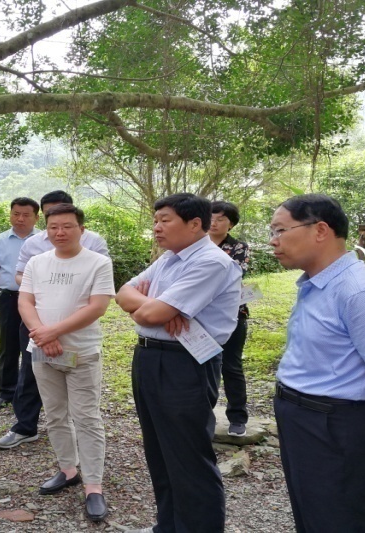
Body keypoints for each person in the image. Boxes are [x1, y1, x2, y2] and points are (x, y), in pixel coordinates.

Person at [269, 194, 365, 533]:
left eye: (280, 230)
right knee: (313, 515)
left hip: (338, 426)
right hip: (306, 417)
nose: (273, 241)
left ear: (320, 230)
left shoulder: (360, 293)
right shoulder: (317, 284)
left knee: (338, 521)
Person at [116, 193, 241, 533]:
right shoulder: (171, 258)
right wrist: (157, 307)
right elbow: (123, 295)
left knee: (188, 457)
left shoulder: (211, 262)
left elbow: (146, 311)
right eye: (155, 221)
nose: (157, 228)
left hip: (185, 363)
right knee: (159, 451)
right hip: (149, 357)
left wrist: (153, 308)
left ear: (195, 224)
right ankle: (168, 526)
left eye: (165, 220)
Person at [19, 203, 115, 522]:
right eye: (54, 226)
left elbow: (97, 306)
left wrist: (53, 331)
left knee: (87, 417)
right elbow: (25, 300)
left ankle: (93, 486)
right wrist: (42, 335)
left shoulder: (98, 263)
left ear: (81, 229)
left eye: (67, 226)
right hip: (42, 351)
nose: (60, 232)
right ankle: (68, 470)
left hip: (82, 352)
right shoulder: (37, 261)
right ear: (46, 230)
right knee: (55, 415)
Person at [0, 190, 109, 450]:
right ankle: (25, 426)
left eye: (64, 220)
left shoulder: (94, 244)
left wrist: (57, 322)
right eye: (50, 219)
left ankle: (79, 431)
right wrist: (43, 326)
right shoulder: (34, 245)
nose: (58, 229)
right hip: (37, 320)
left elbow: (100, 291)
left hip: (77, 325)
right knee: (30, 371)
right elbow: (21, 279)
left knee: (77, 377)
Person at [0, 197, 40, 411]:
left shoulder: (45, 240)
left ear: (36, 217)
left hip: (39, 300)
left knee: (36, 346)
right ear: (10, 214)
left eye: (26, 214)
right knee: (8, 346)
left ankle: (34, 392)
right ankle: (5, 391)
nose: (20, 218)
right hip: (10, 298)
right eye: (16, 213)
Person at [208, 201, 250, 437]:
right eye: (211, 218)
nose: (214, 222)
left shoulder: (238, 247)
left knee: (231, 367)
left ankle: (237, 418)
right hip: (200, 316)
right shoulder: (195, 244)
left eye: (221, 218)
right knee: (204, 366)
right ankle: (206, 417)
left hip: (233, 314)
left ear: (231, 223)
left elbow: (235, 273)